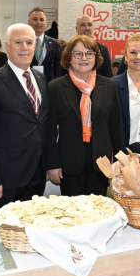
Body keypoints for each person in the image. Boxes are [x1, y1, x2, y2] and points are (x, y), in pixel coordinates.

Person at [0, 23, 49, 219]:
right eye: (18, 42)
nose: (25, 47)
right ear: (7, 46)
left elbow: (43, 125)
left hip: (37, 173)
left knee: (33, 227)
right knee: (5, 230)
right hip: (6, 179)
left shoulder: (41, 79)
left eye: (29, 42)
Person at [47, 35, 125, 196]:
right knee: (72, 210)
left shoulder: (109, 86)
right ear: (69, 58)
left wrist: (119, 162)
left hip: (101, 163)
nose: (84, 58)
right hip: (69, 163)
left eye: (89, 54)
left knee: (99, 208)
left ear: (96, 58)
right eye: (78, 54)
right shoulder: (55, 87)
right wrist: (53, 164)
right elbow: (49, 131)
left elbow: (116, 127)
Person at [28, 7, 60, 82]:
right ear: (29, 22)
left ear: (46, 23)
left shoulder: (54, 43)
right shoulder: (24, 42)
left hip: (49, 84)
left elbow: (57, 67)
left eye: (42, 20)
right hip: (29, 83)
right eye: (35, 19)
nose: (38, 22)